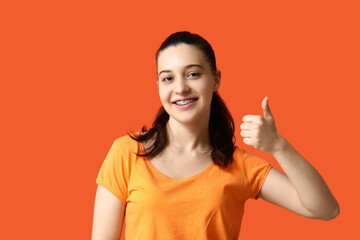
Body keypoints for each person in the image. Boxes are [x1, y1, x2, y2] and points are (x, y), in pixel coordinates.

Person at [91, 31, 339, 240]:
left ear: (216, 79)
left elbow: (325, 209)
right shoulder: (126, 153)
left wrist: (279, 147)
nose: (180, 88)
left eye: (193, 74)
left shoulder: (239, 166)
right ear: (159, 86)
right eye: (168, 78)